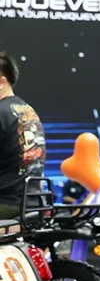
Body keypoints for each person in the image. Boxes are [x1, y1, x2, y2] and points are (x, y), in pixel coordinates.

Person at [0, 52, 46, 223]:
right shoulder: (27, 110)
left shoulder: (1, 112)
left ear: (1, 82)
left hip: (7, 205)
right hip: (33, 202)